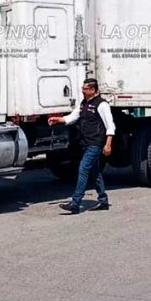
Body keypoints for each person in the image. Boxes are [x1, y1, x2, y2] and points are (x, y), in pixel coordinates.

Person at [49, 78, 115, 214]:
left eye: (85, 89)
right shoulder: (84, 103)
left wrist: (108, 145)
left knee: (83, 169)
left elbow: (110, 126)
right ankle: (103, 201)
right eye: (82, 88)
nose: (82, 90)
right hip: (85, 143)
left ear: (92, 90)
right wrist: (59, 120)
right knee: (95, 172)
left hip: (95, 143)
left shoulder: (102, 105)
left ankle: (75, 203)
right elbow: (73, 117)